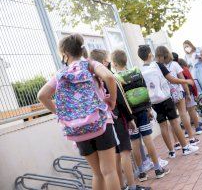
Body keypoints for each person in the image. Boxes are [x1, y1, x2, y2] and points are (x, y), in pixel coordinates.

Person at [37, 34, 120, 190]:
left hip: (78, 128)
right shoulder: (90, 65)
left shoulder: (61, 74)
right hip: (100, 121)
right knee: (109, 171)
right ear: (81, 50)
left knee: (96, 174)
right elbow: (109, 77)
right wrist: (112, 100)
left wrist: (62, 114)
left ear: (65, 54)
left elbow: (42, 96)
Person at [90, 49, 150, 190]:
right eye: (107, 59)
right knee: (124, 152)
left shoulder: (92, 78)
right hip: (116, 118)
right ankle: (132, 186)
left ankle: (122, 186)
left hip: (103, 121)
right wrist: (130, 118)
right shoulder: (108, 76)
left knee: (115, 156)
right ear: (104, 61)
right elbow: (121, 100)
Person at [111, 50, 170, 182]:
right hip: (142, 110)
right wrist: (148, 108)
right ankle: (158, 169)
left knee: (135, 143)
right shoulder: (136, 72)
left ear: (114, 63)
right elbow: (145, 90)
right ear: (126, 60)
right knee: (148, 139)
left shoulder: (116, 78)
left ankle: (142, 173)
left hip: (129, 115)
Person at [138, 45, 199, 159]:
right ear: (150, 54)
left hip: (154, 101)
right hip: (165, 98)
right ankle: (185, 147)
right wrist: (186, 81)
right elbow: (171, 79)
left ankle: (171, 151)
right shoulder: (158, 65)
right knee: (174, 122)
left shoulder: (140, 70)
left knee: (163, 126)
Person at [155, 46, 200, 151]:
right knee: (183, 114)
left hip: (167, 95)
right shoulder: (175, 64)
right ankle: (191, 138)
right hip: (178, 92)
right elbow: (182, 78)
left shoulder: (158, 66)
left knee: (172, 120)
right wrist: (188, 93)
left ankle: (176, 142)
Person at [176, 56, 202, 135]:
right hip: (187, 92)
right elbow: (191, 82)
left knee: (183, 113)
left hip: (178, 94)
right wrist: (194, 93)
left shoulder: (170, 70)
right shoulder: (184, 70)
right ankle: (197, 128)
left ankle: (186, 131)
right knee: (192, 110)